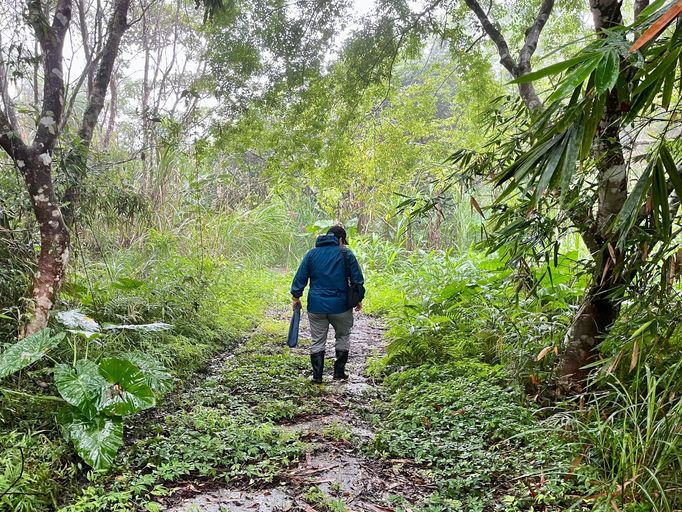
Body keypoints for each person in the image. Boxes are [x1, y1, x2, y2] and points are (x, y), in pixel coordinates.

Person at [291, 225, 365, 384]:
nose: (343, 245)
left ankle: (317, 376)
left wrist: (296, 296)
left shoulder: (311, 254)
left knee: (317, 340)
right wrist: (358, 299)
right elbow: (357, 280)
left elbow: (300, 277)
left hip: (316, 307)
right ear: (339, 240)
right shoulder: (346, 254)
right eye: (343, 241)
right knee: (343, 336)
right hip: (341, 307)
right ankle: (339, 373)